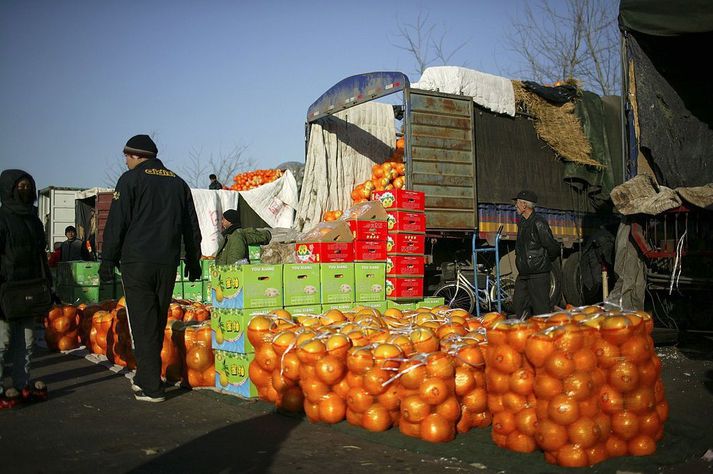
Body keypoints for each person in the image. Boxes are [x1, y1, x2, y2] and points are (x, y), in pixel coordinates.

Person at [100, 135, 202, 402]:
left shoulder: (130, 180)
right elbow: (191, 226)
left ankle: (151, 387)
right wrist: (193, 259)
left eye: (126, 156)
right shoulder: (178, 183)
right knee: (155, 320)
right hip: (167, 263)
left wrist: (107, 260)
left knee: (143, 323)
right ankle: (145, 377)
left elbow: (116, 223)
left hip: (137, 262)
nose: (125, 161)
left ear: (136, 156)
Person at [0, 170, 51, 409]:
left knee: (27, 341)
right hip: (6, 290)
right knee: (3, 341)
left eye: (28, 186)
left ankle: (22, 384)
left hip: (31, 289)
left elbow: (41, 256)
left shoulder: (34, 220)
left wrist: (48, 285)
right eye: (21, 186)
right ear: (9, 189)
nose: (26, 190)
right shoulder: (2, 218)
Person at [512, 190, 561, 319]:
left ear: (524, 205)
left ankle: (543, 335)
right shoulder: (522, 222)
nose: (515, 206)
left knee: (541, 309)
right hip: (524, 273)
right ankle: (524, 333)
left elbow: (551, 246)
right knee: (519, 304)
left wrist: (542, 262)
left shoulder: (539, 223)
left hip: (538, 274)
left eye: (517, 203)